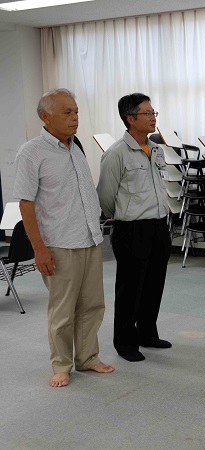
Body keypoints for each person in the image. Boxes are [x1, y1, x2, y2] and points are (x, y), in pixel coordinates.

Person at [14, 88, 115, 387]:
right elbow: (25, 203)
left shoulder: (77, 146)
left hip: (89, 238)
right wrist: (39, 249)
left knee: (92, 304)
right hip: (59, 243)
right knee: (63, 310)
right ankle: (61, 364)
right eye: (67, 113)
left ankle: (87, 358)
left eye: (76, 112)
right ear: (45, 117)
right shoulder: (32, 152)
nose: (75, 118)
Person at [97, 93, 171, 362]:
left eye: (154, 113)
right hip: (131, 229)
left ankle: (147, 333)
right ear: (131, 119)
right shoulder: (116, 153)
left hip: (159, 225)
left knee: (154, 283)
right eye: (147, 114)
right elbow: (105, 195)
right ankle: (125, 342)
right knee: (130, 288)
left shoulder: (157, 149)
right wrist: (122, 217)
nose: (153, 118)